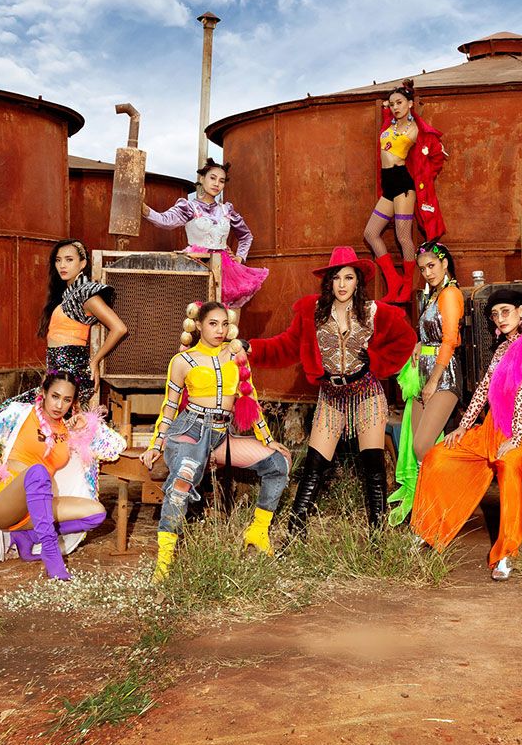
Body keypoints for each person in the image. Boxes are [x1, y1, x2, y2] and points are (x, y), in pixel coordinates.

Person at [248, 246, 417, 538]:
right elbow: (285, 346)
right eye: (336, 278)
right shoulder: (312, 313)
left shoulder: (374, 312)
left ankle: (377, 536)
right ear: (329, 282)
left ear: (358, 281)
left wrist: (376, 360)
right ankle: (295, 532)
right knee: (314, 466)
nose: (342, 284)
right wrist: (252, 348)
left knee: (373, 467)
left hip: (366, 394)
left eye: (348, 277)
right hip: (331, 397)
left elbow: (406, 339)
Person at [139, 301, 290, 581]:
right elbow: (169, 407)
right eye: (212, 324)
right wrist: (156, 445)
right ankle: (164, 564)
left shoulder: (235, 355)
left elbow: (250, 399)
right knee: (181, 484)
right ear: (198, 325)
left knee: (278, 463)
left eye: (224, 324)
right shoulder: (182, 361)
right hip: (190, 431)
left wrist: (267, 439)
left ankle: (257, 532)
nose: (219, 330)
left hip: (221, 434)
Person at [411, 289, 522, 580]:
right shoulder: (501, 350)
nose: (500, 318)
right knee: (438, 456)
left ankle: (507, 552)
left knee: (509, 466)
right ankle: (427, 530)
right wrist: (464, 426)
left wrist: (515, 438)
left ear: (521, 312)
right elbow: (483, 390)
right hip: (491, 428)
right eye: (495, 314)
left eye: (506, 312)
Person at [0, 370, 126, 580]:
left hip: (37, 506)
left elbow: (116, 446)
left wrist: (87, 426)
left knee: (96, 513)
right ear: (44, 392)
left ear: (73, 403)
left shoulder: (67, 431)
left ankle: (27, 536)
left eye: (67, 400)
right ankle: (52, 556)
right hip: (4, 502)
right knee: (38, 471)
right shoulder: (21, 413)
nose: (59, 405)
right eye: (55, 396)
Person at [142, 159, 268, 334]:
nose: (217, 184)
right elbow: (165, 221)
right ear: (202, 179)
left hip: (226, 268)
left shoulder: (227, 210)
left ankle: (227, 351)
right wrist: (144, 209)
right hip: (197, 263)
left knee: (229, 322)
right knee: (196, 318)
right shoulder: (189, 207)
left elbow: (246, 236)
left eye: (221, 181)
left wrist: (240, 257)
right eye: (212, 178)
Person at [0, 239, 127, 410]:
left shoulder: (86, 294)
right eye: (58, 260)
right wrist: (47, 378)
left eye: (69, 259)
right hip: (58, 377)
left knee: (10, 410)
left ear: (83, 264)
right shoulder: (68, 295)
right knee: (13, 411)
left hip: (72, 377)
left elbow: (119, 328)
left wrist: (95, 361)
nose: (62, 265)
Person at [388, 240, 463, 525]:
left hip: (444, 377)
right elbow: (432, 334)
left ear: (445, 263)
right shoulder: (432, 295)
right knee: (416, 448)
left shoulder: (450, 294)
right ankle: (426, 514)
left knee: (422, 446)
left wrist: (432, 381)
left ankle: (442, 506)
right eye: (422, 269)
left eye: (432, 266)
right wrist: (420, 344)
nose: (427, 273)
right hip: (423, 374)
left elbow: (449, 340)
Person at [363, 79, 446, 304]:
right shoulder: (389, 126)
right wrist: (386, 110)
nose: (395, 107)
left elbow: (433, 154)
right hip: (388, 185)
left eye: (399, 102)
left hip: (403, 185)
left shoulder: (416, 129)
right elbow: (387, 126)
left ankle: (407, 284)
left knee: (403, 236)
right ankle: (394, 280)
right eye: (392, 104)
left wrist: (426, 176)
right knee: (370, 233)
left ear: (410, 104)